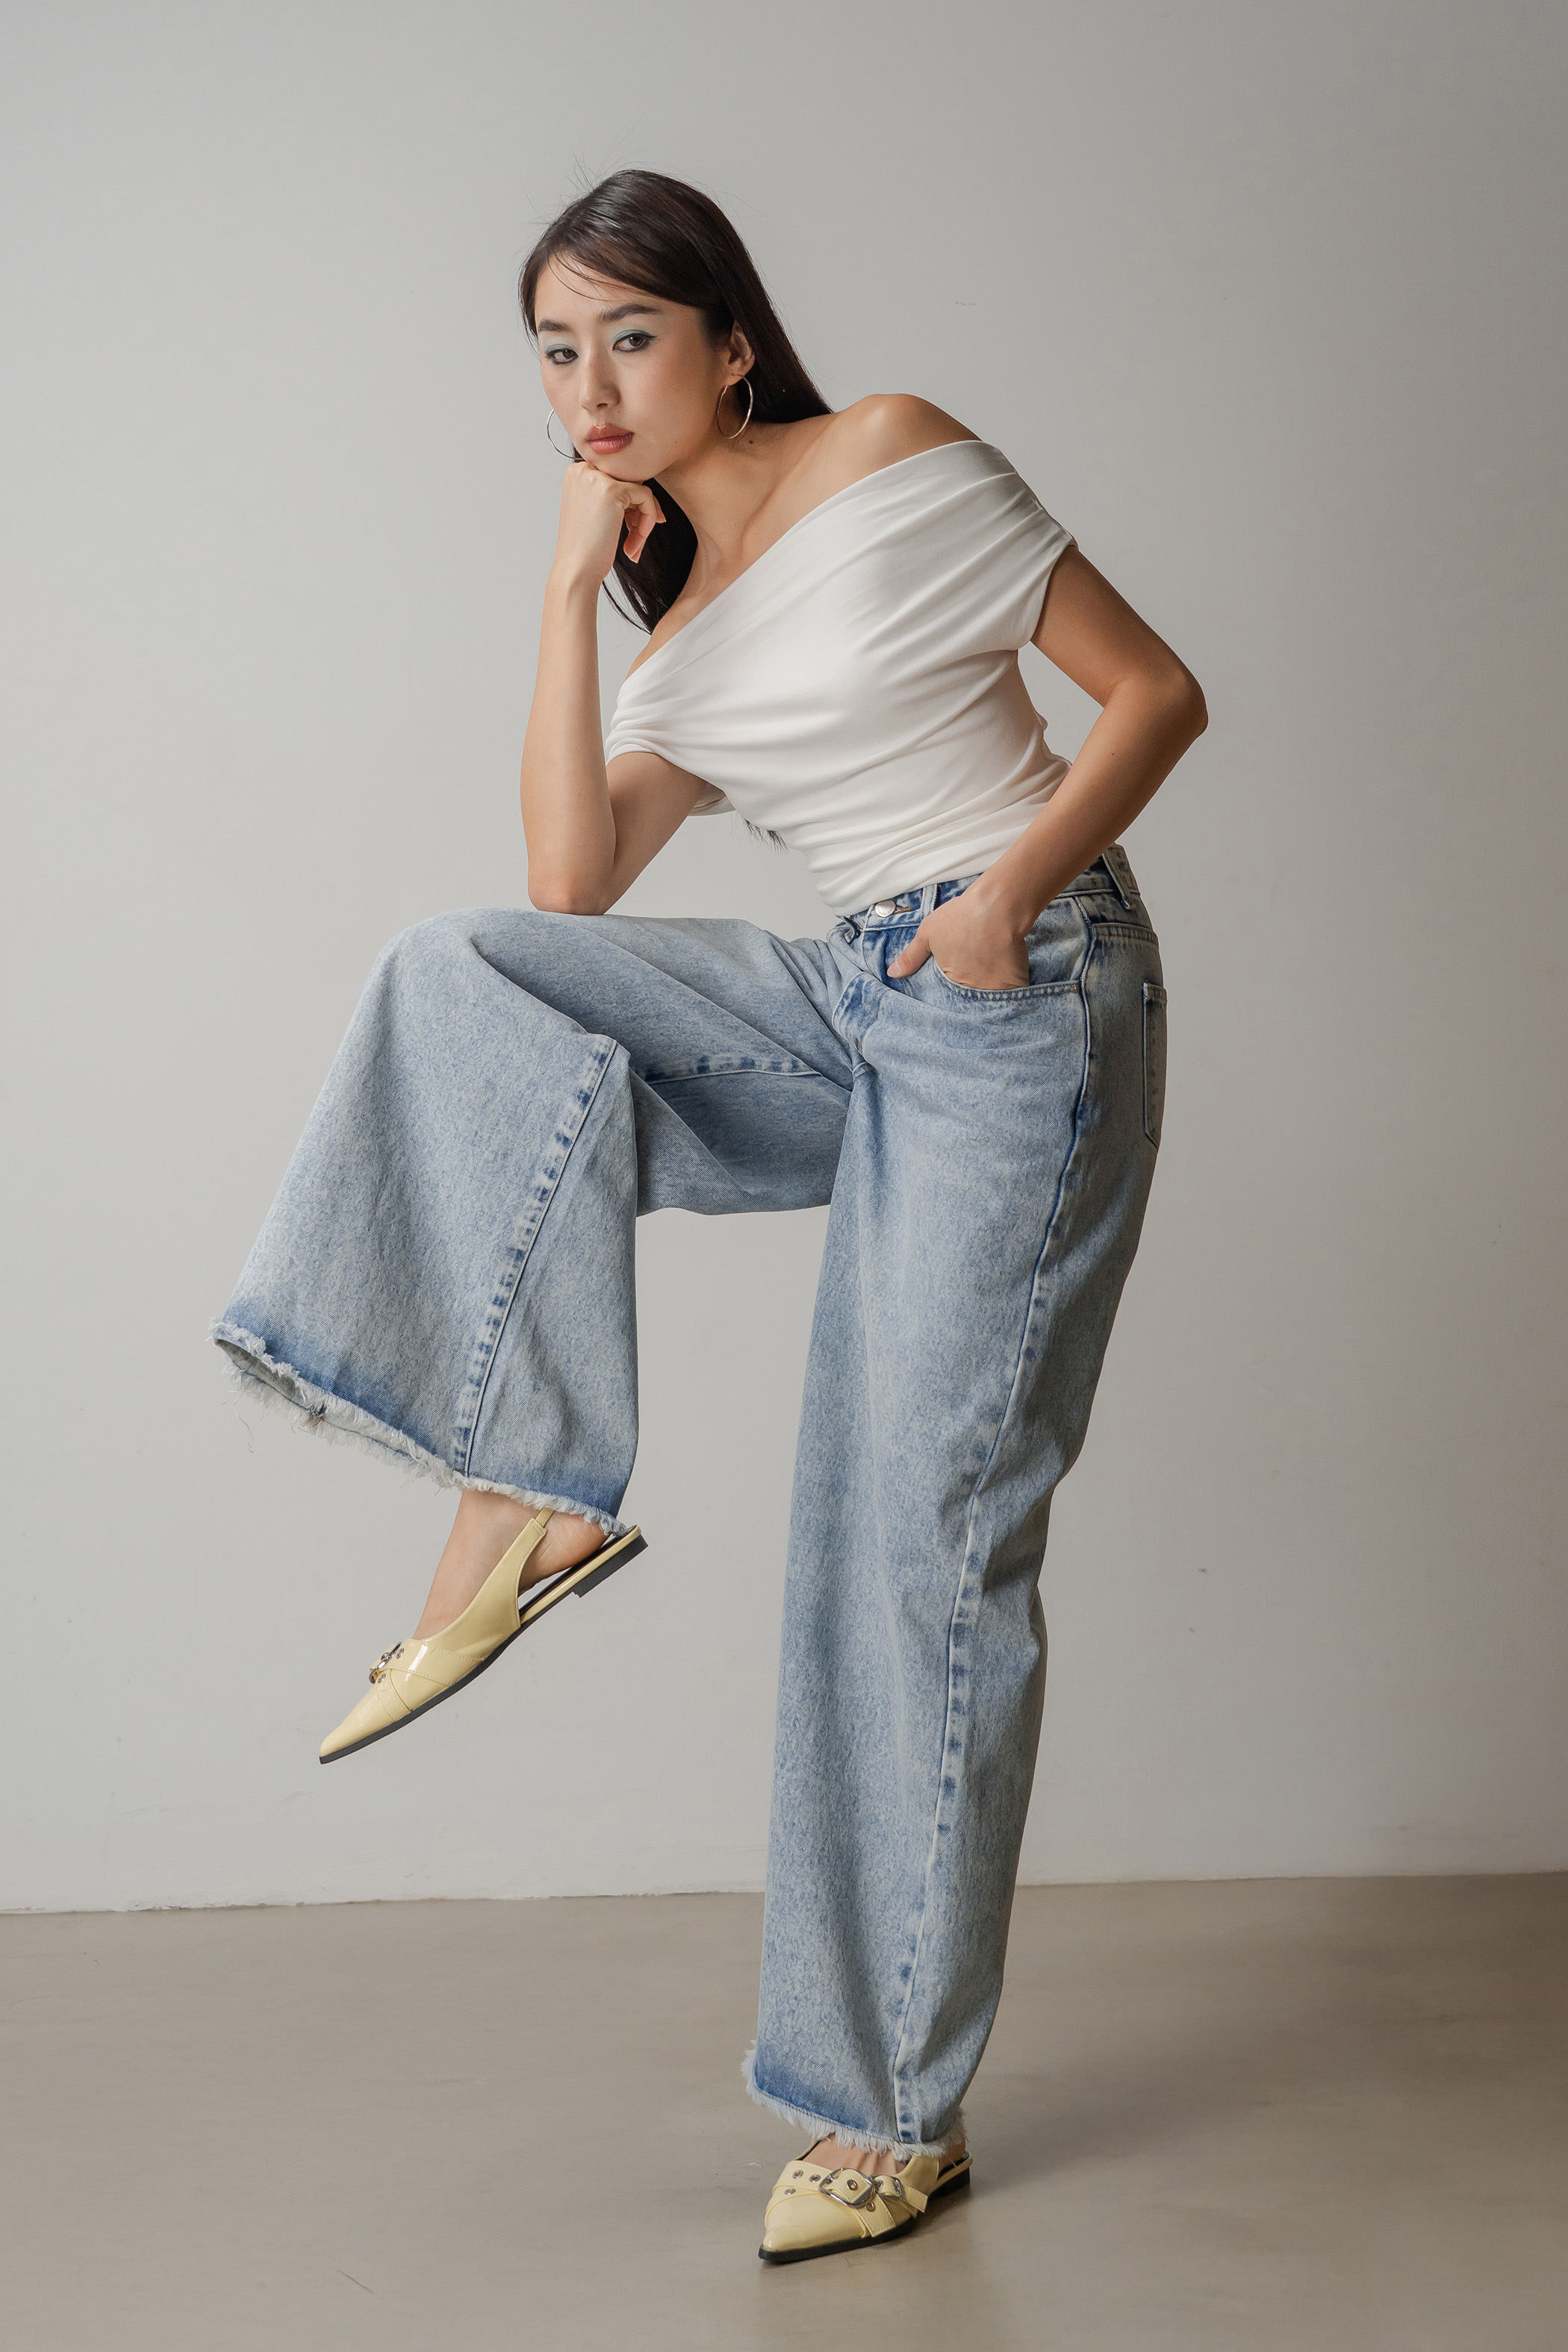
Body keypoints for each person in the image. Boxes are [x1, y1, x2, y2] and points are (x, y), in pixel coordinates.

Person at [214, 168, 1206, 2264]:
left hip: (1020, 992)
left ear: (732, 342)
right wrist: (566, 592)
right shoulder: (673, 635)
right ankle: (530, 1488)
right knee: (464, 976)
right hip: (854, 997)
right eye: (553, 352)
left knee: (907, 1551)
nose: (589, 385)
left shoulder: (892, 455)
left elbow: (1152, 696)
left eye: (630, 336)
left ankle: (883, 2114)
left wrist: (1004, 900)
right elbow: (569, 891)